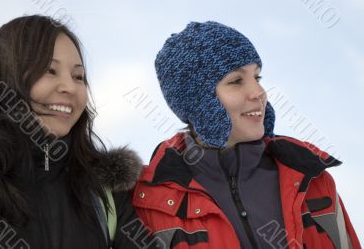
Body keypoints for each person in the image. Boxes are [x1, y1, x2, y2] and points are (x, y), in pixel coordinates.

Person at [132, 21, 361, 249]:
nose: (259, 92)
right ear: (197, 101)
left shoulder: (310, 177)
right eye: (236, 81)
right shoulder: (153, 201)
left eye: (257, 78)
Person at [0, 15, 156, 249]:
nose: (69, 87)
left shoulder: (105, 192)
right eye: (50, 70)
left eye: (78, 76)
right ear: (4, 77)